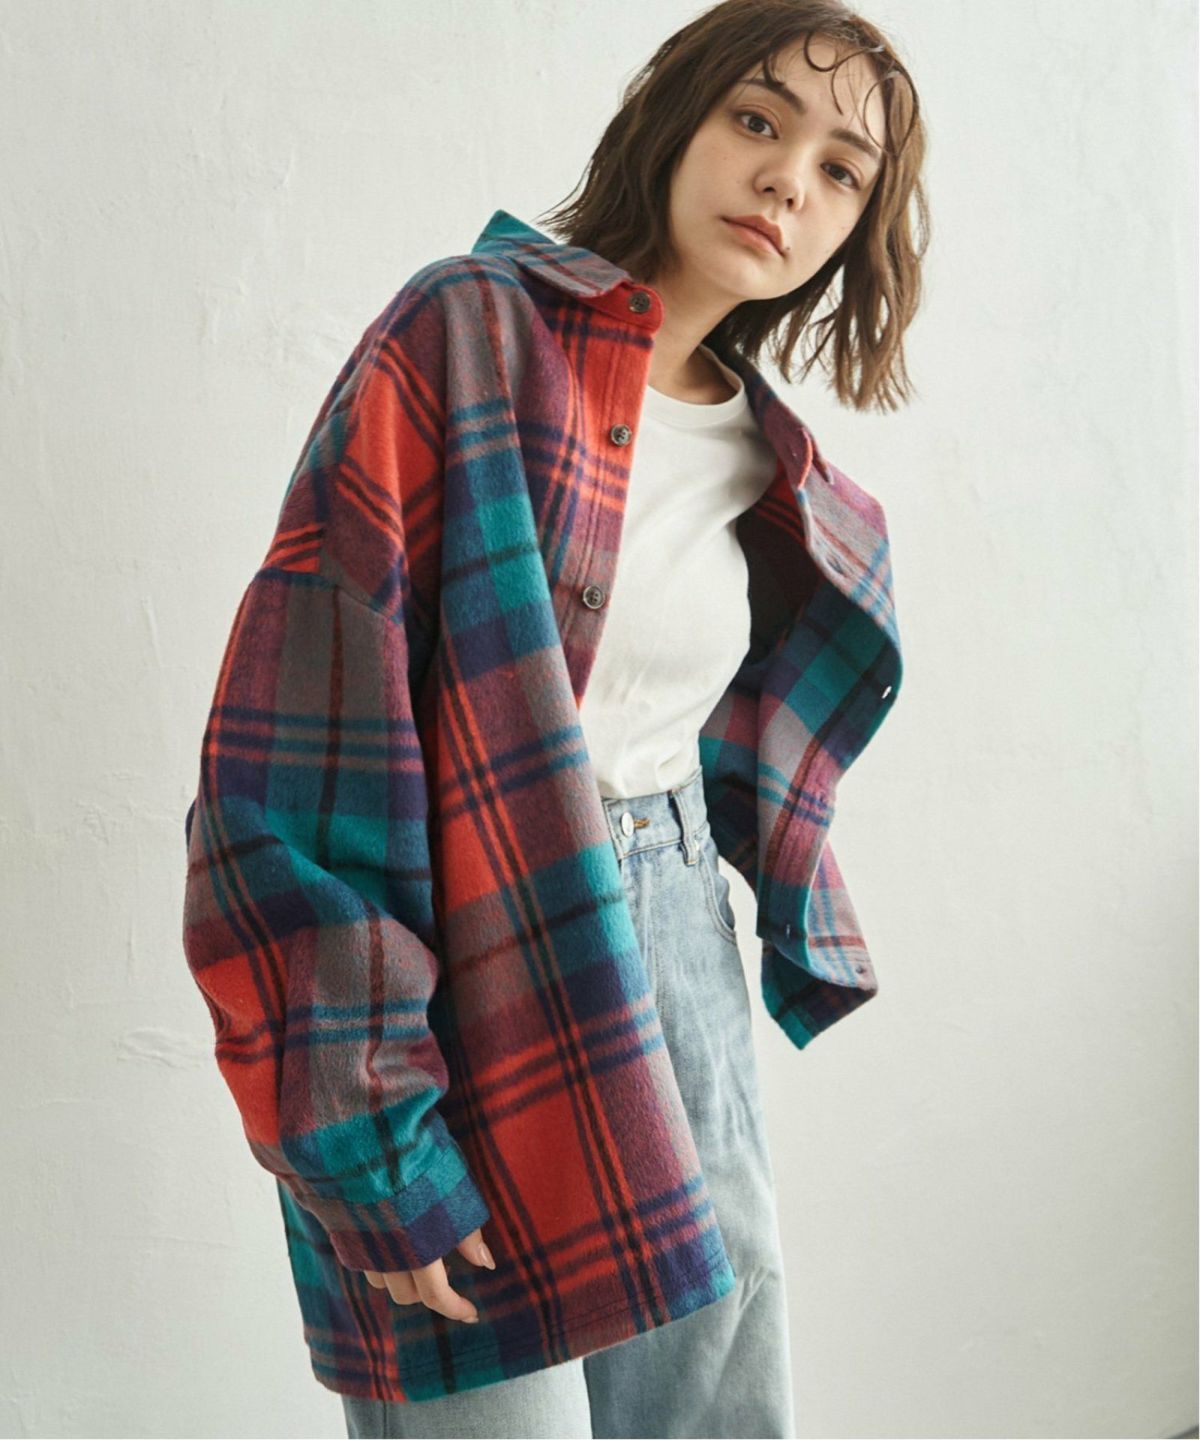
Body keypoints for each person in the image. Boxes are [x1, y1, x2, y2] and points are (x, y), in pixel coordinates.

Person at [180, 1, 927, 1435]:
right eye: (758, 121)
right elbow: (288, 767)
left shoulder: (775, 468)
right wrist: (367, 1132)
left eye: (842, 170)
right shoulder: (468, 332)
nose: (788, 181)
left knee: (712, 1401)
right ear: (677, 121)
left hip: (676, 929)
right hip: (468, 939)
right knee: (484, 1392)